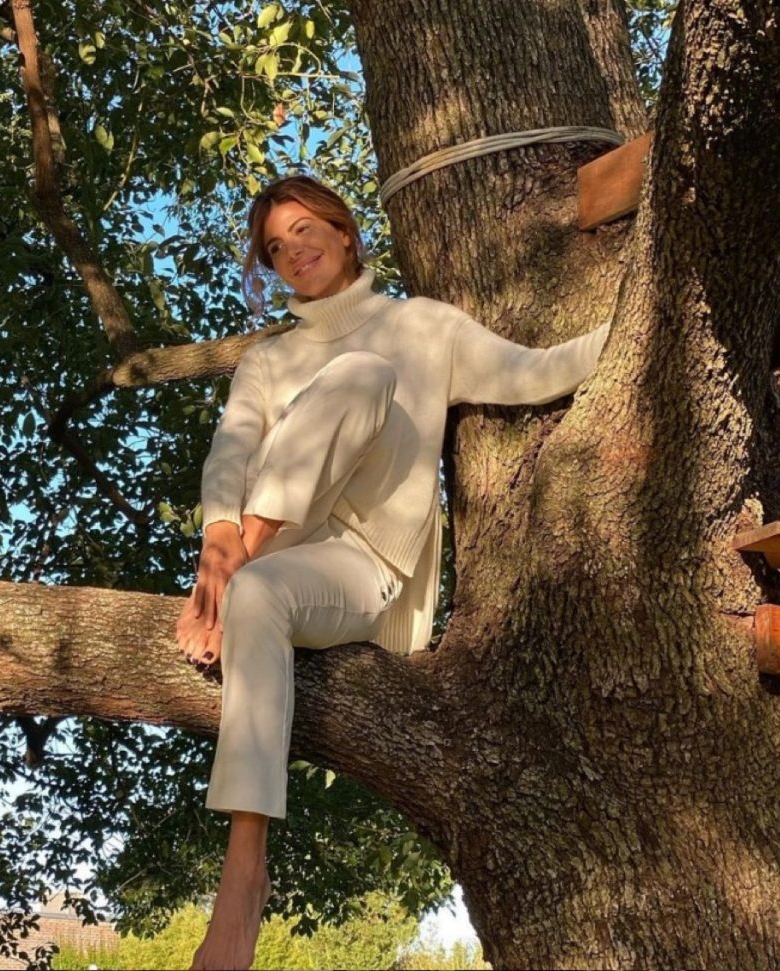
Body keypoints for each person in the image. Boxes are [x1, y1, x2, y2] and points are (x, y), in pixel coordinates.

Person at [175, 174, 611, 970]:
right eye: (275, 247)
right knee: (254, 570)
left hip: (361, 569)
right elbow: (230, 453)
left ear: (344, 232)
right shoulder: (268, 362)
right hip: (271, 554)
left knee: (360, 374)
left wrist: (643, 322)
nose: (293, 251)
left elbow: (539, 371)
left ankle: (233, 580)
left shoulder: (423, 328)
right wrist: (218, 539)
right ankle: (243, 872)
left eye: (305, 230)